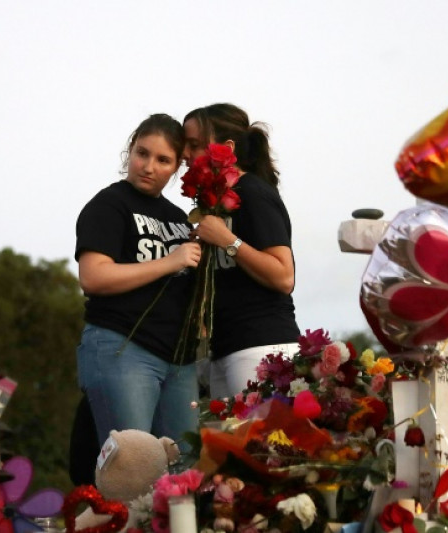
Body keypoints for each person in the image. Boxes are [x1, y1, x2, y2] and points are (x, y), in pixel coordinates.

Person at [75, 113, 202, 453]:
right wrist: (169, 262)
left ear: (177, 168)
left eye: (163, 160)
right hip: (123, 348)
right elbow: (93, 276)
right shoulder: (110, 204)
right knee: (134, 468)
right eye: (142, 153)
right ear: (129, 151)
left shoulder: (180, 218)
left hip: (179, 359)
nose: (149, 166)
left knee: (184, 469)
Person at [183, 103, 299, 400]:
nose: (185, 154)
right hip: (226, 349)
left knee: (261, 446)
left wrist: (227, 240)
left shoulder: (252, 192)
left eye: (194, 145)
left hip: (262, 346)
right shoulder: (217, 202)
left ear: (227, 147)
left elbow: (284, 276)